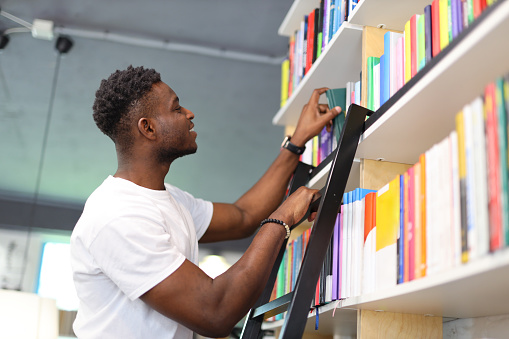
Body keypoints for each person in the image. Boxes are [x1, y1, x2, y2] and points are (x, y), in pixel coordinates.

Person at [70, 65, 341, 339]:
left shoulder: (170, 198)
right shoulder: (117, 216)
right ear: (148, 128)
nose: (189, 114)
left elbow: (243, 216)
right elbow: (214, 313)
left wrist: (296, 141)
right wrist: (283, 218)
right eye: (176, 109)